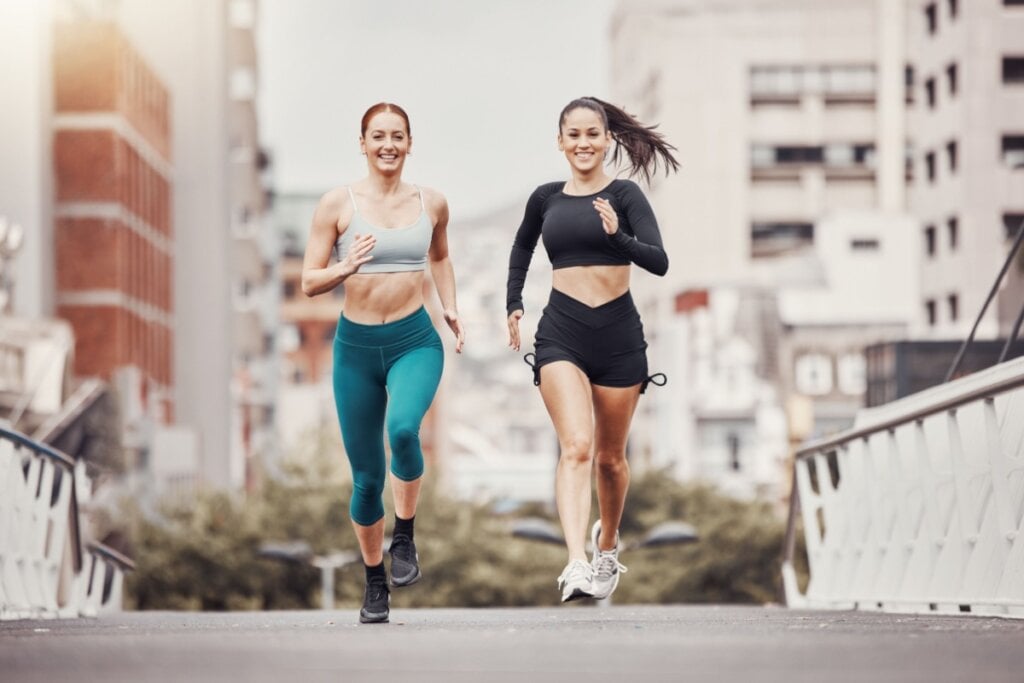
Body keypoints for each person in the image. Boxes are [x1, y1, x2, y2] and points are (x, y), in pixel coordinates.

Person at [505, 96, 678, 602]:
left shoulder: (625, 195)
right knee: (576, 446)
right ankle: (576, 562)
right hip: (562, 331)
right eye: (573, 135)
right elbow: (521, 246)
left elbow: (660, 262)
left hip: (619, 336)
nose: (583, 143)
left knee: (610, 459)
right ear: (560, 142)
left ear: (607, 141)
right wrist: (513, 301)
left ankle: (606, 545)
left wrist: (618, 235)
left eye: (591, 135)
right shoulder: (544, 198)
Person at [302, 102, 464, 624]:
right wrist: (345, 265)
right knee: (366, 480)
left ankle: (406, 537)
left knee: (403, 431)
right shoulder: (337, 205)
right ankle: (375, 581)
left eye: (397, 135)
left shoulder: (432, 203)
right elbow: (308, 281)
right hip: (355, 351)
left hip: (415, 339)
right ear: (363, 142)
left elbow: (439, 256)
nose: (388, 144)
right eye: (378, 136)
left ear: (410, 143)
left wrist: (451, 308)